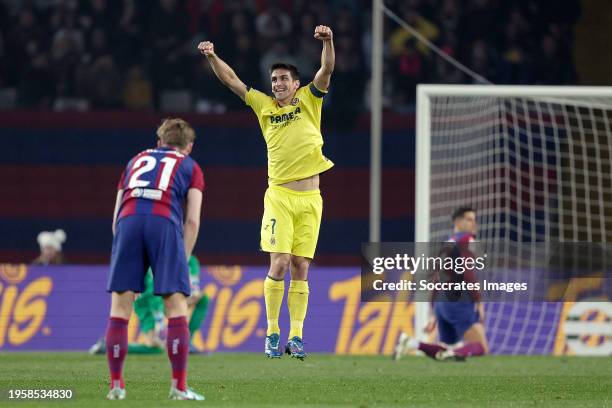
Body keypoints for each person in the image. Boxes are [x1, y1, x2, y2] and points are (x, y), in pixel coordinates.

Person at [197, 24, 335, 360]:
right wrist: (213, 56)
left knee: (301, 265)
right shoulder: (264, 105)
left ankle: (297, 337)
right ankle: (273, 332)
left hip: (311, 199)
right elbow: (231, 81)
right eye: (274, 80)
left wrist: (328, 41)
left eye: (283, 79)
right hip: (279, 196)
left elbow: (327, 67)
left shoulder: (310, 99)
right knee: (281, 262)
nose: (278, 84)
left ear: (296, 83)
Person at [105, 118, 205, 400]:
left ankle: (116, 386)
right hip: (163, 224)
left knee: (120, 310)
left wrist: (123, 246)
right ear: (189, 147)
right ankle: (179, 387)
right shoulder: (190, 165)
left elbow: (116, 217)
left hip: (128, 222)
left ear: (159, 142)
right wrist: (181, 259)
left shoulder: (135, 160)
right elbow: (193, 221)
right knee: (176, 308)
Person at [394, 206, 489, 362]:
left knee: (446, 349)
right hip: (458, 301)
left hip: (441, 304)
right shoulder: (467, 240)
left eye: (474, 219)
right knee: (481, 346)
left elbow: (437, 279)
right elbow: (467, 272)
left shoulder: (447, 244)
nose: (474, 223)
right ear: (457, 222)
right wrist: (478, 301)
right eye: (469, 219)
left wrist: (434, 311)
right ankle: (453, 354)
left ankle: (411, 343)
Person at [90, 255, 209, 356]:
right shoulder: (161, 256)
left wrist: (192, 295)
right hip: (147, 301)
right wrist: (159, 321)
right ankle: (109, 346)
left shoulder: (192, 262)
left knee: (203, 299)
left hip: (170, 299)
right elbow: (151, 290)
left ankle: (187, 344)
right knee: (155, 347)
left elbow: (194, 288)